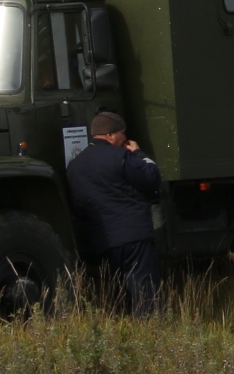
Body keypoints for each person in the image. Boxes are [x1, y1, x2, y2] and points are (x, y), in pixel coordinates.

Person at [65, 109, 163, 315]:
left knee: (116, 296)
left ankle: (121, 334)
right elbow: (151, 177)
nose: (125, 139)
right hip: (134, 236)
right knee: (145, 294)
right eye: (122, 134)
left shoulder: (74, 166)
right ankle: (150, 333)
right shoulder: (122, 156)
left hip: (101, 240)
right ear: (110, 135)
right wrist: (138, 152)